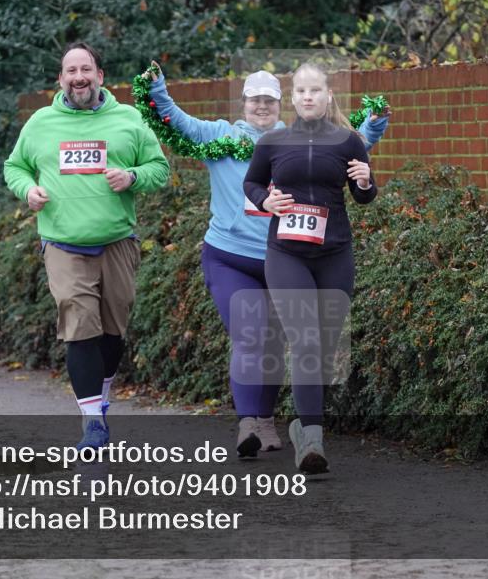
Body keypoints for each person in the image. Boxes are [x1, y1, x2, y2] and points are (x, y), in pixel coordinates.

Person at [149, 62, 389, 460]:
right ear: (243, 103)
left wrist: (373, 131)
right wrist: (157, 89)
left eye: (270, 100)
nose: (262, 106)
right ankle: (249, 422)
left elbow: (348, 152)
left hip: (286, 256)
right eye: (255, 100)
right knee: (252, 334)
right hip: (231, 257)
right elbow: (178, 121)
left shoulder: (297, 137)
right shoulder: (220, 136)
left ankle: (266, 420)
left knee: (281, 342)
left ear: (282, 104)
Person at [4, 42, 169, 451]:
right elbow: (15, 166)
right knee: (78, 323)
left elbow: (159, 168)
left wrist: (131, 177)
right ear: (60, 80)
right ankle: (92, 421)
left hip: (117, 241)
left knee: (112, 331)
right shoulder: (41, 123)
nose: (79, 77)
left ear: (100, 76)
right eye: (71, 71)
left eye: (86, 69)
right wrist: (28, 190)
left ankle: (101, 397)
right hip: (63, 242)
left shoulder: (128, 119)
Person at [243, 62, 377, 474]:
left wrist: (366, 180)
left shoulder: (348, 141)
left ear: (328, 95)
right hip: (287, 254)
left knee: (323, 349)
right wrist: (266, 201)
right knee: (304, 341)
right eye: (300, 91)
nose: (307, 96)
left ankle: (303, 427)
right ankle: (313, 441)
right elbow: (251, 183)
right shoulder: (274, 141)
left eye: (314, 90)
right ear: (293, 98)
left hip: (335, 253)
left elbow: (363, 196)